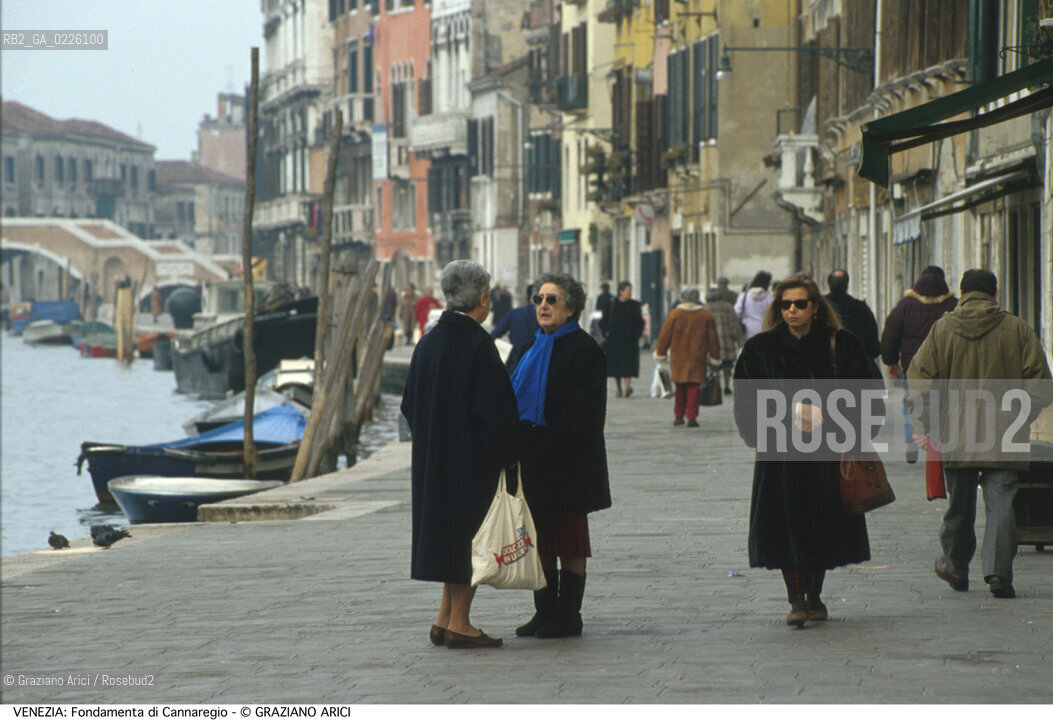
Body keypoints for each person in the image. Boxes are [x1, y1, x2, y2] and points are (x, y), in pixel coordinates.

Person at [733, 273, 874, 628]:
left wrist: (831, 414)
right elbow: (745, 403)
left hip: (828, 451)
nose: (792, 310)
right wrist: (790, 411)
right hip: (779, 454)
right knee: (786, 525)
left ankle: (815, 595)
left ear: (815, 307)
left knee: (821, 523)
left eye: (799, 304)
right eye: (785, 304)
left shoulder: (842, 344)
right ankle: (797, 599)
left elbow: (869, 393)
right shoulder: (760, 348)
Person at [907, 269, 1053, 600]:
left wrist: (926, 421)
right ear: (995, 293)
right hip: (1006, 430)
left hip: (955, 431)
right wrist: (1022, 414)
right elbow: (1041, 382)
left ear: (961, 293)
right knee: (1002, 503)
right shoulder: (1016, 328)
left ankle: (956, 568)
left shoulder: (943, 329)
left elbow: (919, 378)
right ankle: (999, 573)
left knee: (960, 504)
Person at [400, 261, 520, 649]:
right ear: (484, 299)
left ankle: (443, 618)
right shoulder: (479, 346)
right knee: (469, 539)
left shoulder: (428, 342)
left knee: (449, 538)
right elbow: (497, 415)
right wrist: (510, 455)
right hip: (471, 463)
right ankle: (461, 624)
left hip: (433, 459)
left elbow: (407, 406)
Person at [511, 271, 611, 638]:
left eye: (551, 299)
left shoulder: (586, 351)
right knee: (538, 539)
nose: (543, 306)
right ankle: (545, 610)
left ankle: (569, 614)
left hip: (570, 463)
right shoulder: (527, 348)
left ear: (571, 309)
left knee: (568, 539)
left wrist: (545, 436)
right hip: (532, 461)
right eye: (538, 298)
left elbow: (587, 415)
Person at [880, 265, 957, 461]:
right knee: (945, 401)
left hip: (913, 365)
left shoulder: (906, 305)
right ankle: (940, 439)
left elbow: (890, 333)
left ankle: (912, 438)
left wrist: (890, 362)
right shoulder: (953, 306)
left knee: (911, 401)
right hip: (945, 366)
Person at [654, 286, 720, 427]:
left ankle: (678, 415)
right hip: (698, 356)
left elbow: (664, 336)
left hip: (679, 356)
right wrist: (715, 356)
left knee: (680, 387)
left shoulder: (674, 314)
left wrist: (660, 353)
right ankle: (691, 416)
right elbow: (713, 339)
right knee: (694, 387)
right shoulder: (705, 315)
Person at [824, 269, 880, 361]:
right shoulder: (861, 309)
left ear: (829, 284)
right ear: (846, 285)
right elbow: (873, 347)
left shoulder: (818, 308)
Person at [605, 281, 644, 397]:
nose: (630, 293)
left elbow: (640, 322)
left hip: (630, 340)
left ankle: (627, 386)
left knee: (629, 363)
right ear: (621, 292)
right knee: (616, 365)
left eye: (631, 290)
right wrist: (606, 332)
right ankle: (619, 388)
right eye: (628, 290)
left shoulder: (635, 305)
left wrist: (637, 334)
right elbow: (604, 320)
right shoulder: (612, 304)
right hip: (615, 340)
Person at [490, 285, 540, 374]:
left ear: (526, 297)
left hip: (515, 361)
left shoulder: (514, 314)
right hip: (538, 361)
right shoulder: (545, 317)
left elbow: (494, 334)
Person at [705, 286, 745, 395]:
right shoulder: (728, 307)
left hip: (711, 342)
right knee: (727, 366)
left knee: (714, 366)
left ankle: (715, 385)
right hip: (727, 341)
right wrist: (740, 341)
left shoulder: (706, 309)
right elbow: (734, 325)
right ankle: (727, 386)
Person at [734, 271, 773, 340]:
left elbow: (736, 312)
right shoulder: (769, 298)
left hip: (746, 331)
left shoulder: (744, 296)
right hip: (763, 330)